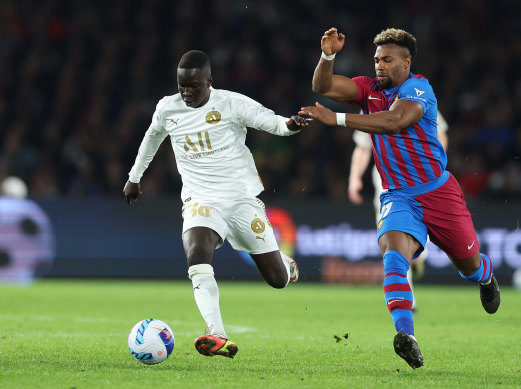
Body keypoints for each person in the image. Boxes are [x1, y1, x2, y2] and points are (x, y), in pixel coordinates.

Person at [301, 27, 500, 369]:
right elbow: (323, 87)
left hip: (438, 193)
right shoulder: (368, 89)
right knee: (393, 257)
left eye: (388, 60)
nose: (379, 66)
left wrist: (334, 119)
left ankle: (484, 274)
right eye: (376, 59)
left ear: (406, 62)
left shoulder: (418, 88)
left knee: (468, 264)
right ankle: (406, 335)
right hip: (398, 196)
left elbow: (395, 121)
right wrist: (327, 56)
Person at [124, 50, 309, 359]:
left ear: (209, 81)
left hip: (240, 201)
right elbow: (152, 137)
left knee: (277, 280)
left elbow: (272, 122)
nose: (186, 93)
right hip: (200, 200)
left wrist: (292, 124)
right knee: (196, 254)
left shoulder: (231, 103)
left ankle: (285, 264)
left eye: (193, 86)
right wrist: (134, 177)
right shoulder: (167, 109)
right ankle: (216, 333)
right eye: (181, 85)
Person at [349, 112, 449, 311]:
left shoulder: (417, 94)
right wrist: (355, 179)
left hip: (420, 176)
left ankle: (420, 255)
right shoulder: (370, 103)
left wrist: (435, 165)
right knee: (392, 236)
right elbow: (363, 146)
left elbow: (440, 135)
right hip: (387, 181)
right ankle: (407, 300)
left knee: (415, 244)